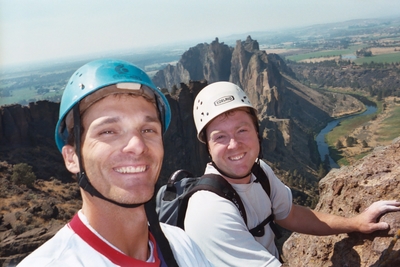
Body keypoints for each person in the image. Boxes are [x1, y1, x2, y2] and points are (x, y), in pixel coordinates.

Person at [18, 59, 212, 267]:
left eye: (148, 130)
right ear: (72, 157)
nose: (138, 145)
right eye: (108, 131)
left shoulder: (182, 246)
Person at [185, 81, 400, 267]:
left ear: (257, 132)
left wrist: (356, 223)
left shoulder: (259, 171)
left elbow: (290, 215)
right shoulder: (209, 211)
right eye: (220, 137)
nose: (234, 144)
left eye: (242, 130)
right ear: (208, 147)